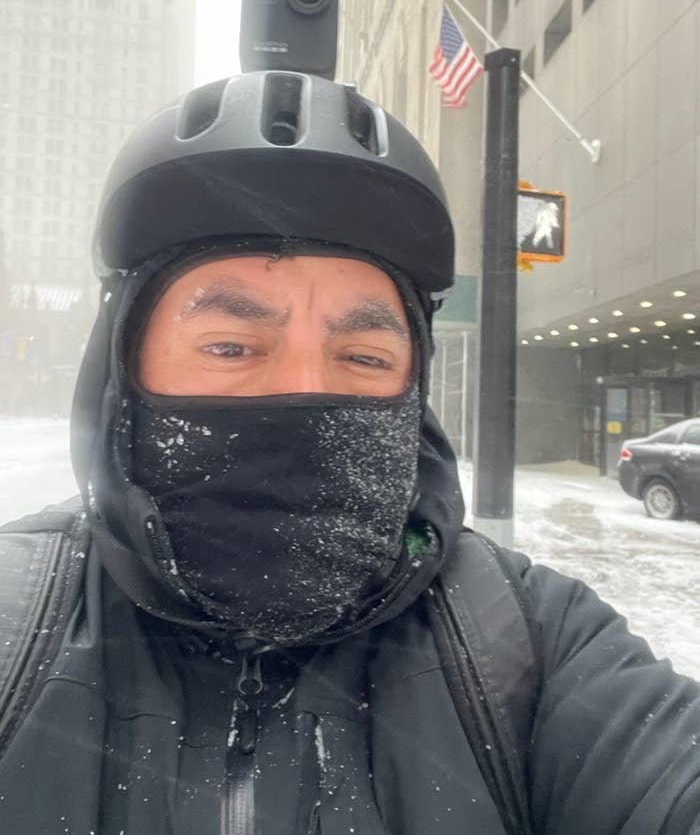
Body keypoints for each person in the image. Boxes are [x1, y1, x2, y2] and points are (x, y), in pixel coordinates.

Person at [0, 71, 699, 835]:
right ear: (123, 375)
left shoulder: (525, 649)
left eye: (363, 358)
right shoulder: (16, 623)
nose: (306, 389)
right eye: (231, 345)